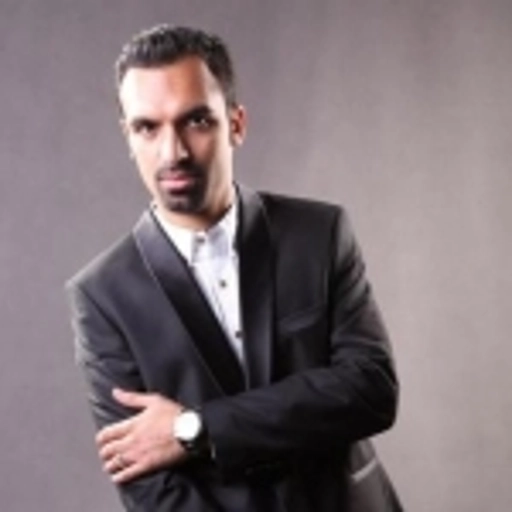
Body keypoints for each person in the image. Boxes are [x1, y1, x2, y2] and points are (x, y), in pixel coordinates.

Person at [66, 24, 403, 512]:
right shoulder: (102, 296)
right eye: (148, 127)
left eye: (196, 120)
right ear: (129, 137)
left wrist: (195, 428)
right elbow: (150, 486)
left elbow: (371, 391)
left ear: (236, 124)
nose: (173, 151)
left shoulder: (318, 234)